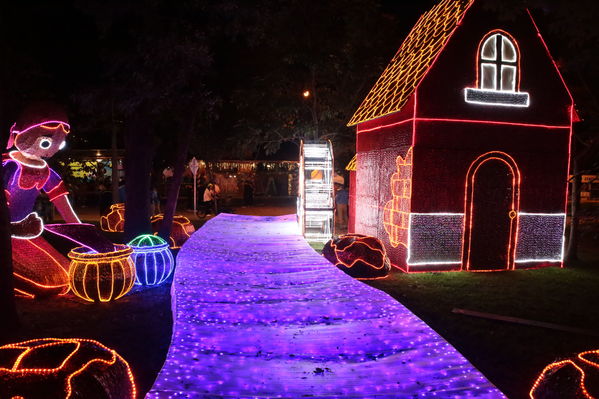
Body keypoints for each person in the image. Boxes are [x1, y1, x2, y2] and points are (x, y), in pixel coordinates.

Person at [2, 104, 81, 297]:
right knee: (44, 282)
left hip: (26, 231)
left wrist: (81, 231)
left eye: (59, 144)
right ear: (19, 134)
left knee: (64, 276)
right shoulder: (8, 165)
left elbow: (61, 202)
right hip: (7, 233)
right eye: (46, 142)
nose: (50, 150)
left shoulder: (46, 171)